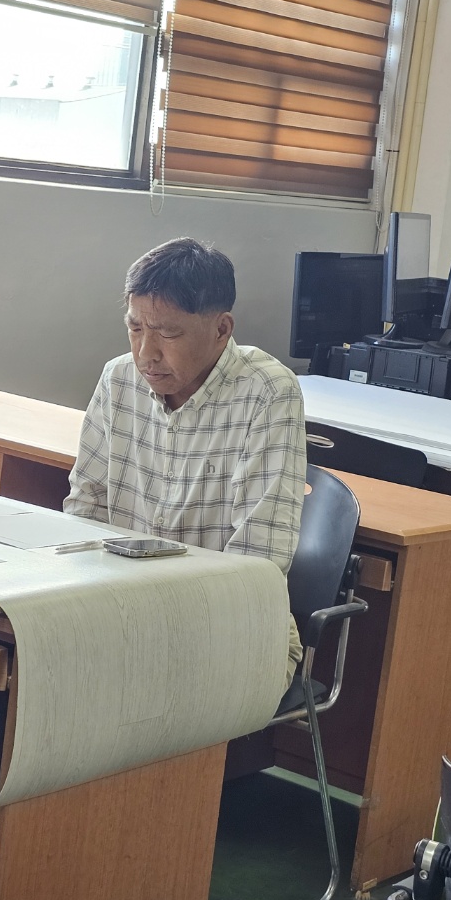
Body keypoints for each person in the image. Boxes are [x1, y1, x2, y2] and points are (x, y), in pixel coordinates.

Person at [64, 237, 306, 689]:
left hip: (230, 627)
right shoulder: (119, 379)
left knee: (121, 696)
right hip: (123, 611)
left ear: (221, 329)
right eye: (135, 328)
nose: (146, 353)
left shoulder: (267, 392)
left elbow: (258, 561)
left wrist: (162, 623)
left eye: (168, 334)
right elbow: (85, 508)